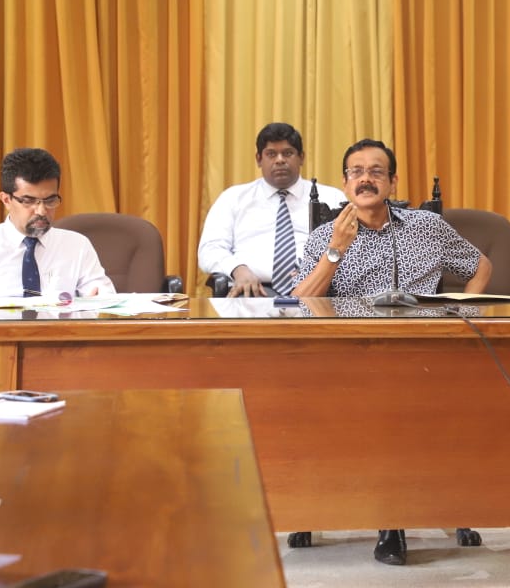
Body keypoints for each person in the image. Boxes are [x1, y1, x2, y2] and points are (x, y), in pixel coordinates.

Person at [292, 138, 491, 566]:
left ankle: (404, 512)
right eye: (356, 171)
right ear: (345, 182)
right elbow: (301, 302)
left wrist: (462, 314)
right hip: (351, 357)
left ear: (393, 181)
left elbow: (480, 267)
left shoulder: (426, 227)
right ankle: (390, 518)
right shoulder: (326, 235)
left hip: (425, 353)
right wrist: (335, 251)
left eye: (376, 171)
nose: (365, 179)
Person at [0, 148, 114, 392]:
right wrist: (0, 333)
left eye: (50, 200)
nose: (41, 211)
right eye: (29, 201)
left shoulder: (77, 245)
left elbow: (105, 300)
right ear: (6, 199)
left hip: (62, 350)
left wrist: (100, 303)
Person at [198, 122, 345, 297]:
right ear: (259, 159)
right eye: (271, 154)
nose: (280, 160)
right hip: (252, 290)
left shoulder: (332, 197)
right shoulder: (233, 198)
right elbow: (210, 249)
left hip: (316, 289)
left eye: (288, 153)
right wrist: (237, 269)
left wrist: (318, 272)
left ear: (301, 158)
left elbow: (352, 247)